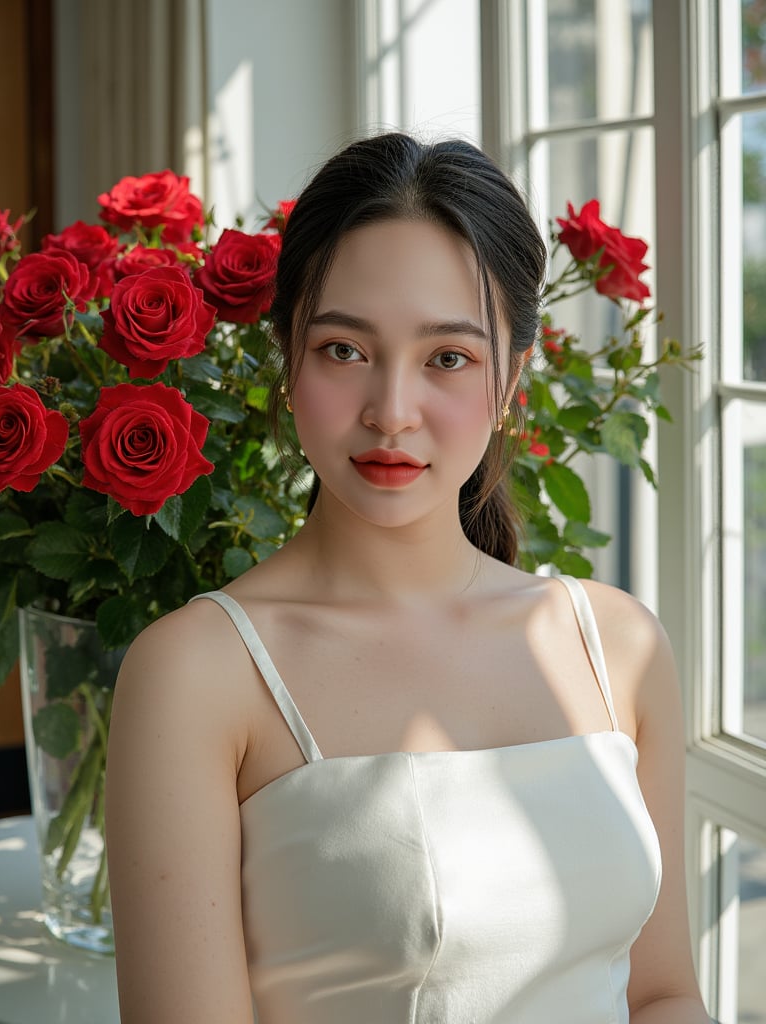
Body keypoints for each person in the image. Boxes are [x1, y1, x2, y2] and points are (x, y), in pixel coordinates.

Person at [105, 132, 710, 1024]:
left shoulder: (614, 645)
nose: (391, 411)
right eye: (344, 350)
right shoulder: (195, 674)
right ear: (288, 358)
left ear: (511, 381)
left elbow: (662, 996)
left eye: (448, 358)